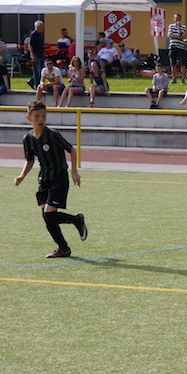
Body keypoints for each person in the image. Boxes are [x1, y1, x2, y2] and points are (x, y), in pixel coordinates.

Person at [14, 101, 88, 259]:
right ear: (29, 118)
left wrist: (74, 171)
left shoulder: (52, 135)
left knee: (49, 214)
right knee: (47, 217)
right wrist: (22, 176)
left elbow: (72, 150)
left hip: (59, 178)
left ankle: (77, 220)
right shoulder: (28, 139)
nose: (41, 119)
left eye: (44, 116)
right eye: (37, 116)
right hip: (44, 180)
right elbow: (30, 160)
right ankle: (63, 248)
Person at [168, 13, 187, 84]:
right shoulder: (171, 26)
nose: (177, 20)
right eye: (176, 19)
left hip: (180, 47)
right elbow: (169, 35)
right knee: (173, 64)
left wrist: (179, 27)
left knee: (182, 64)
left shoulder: (183, 27)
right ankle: (174, 79)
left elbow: (182, 35)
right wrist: (178, 37)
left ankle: (183, 79)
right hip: (172, 46)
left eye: (178, 19)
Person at [29, 21, 45, 88]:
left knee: (41, 70)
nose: (43, 28)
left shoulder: (40, 34)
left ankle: (31, 81)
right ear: (38, 27)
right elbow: (30, 45)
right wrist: (33, 55)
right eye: (42, 26)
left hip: (41, 54)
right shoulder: (33, 35)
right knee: (37, 71)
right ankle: (37, 85)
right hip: (36, 54)